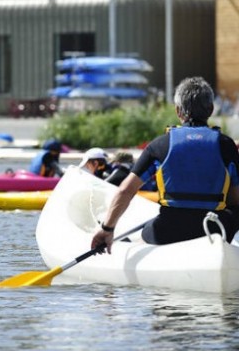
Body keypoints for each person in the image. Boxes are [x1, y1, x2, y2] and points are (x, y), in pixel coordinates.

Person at [92, 77, 239, 253]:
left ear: (178, 111)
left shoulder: (159, 145)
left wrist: (107, 229)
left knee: (145, 231)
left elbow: (125, 191)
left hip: (167, 232)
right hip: (213, 229)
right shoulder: (227, 145)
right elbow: (235, 199)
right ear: (211, 109)